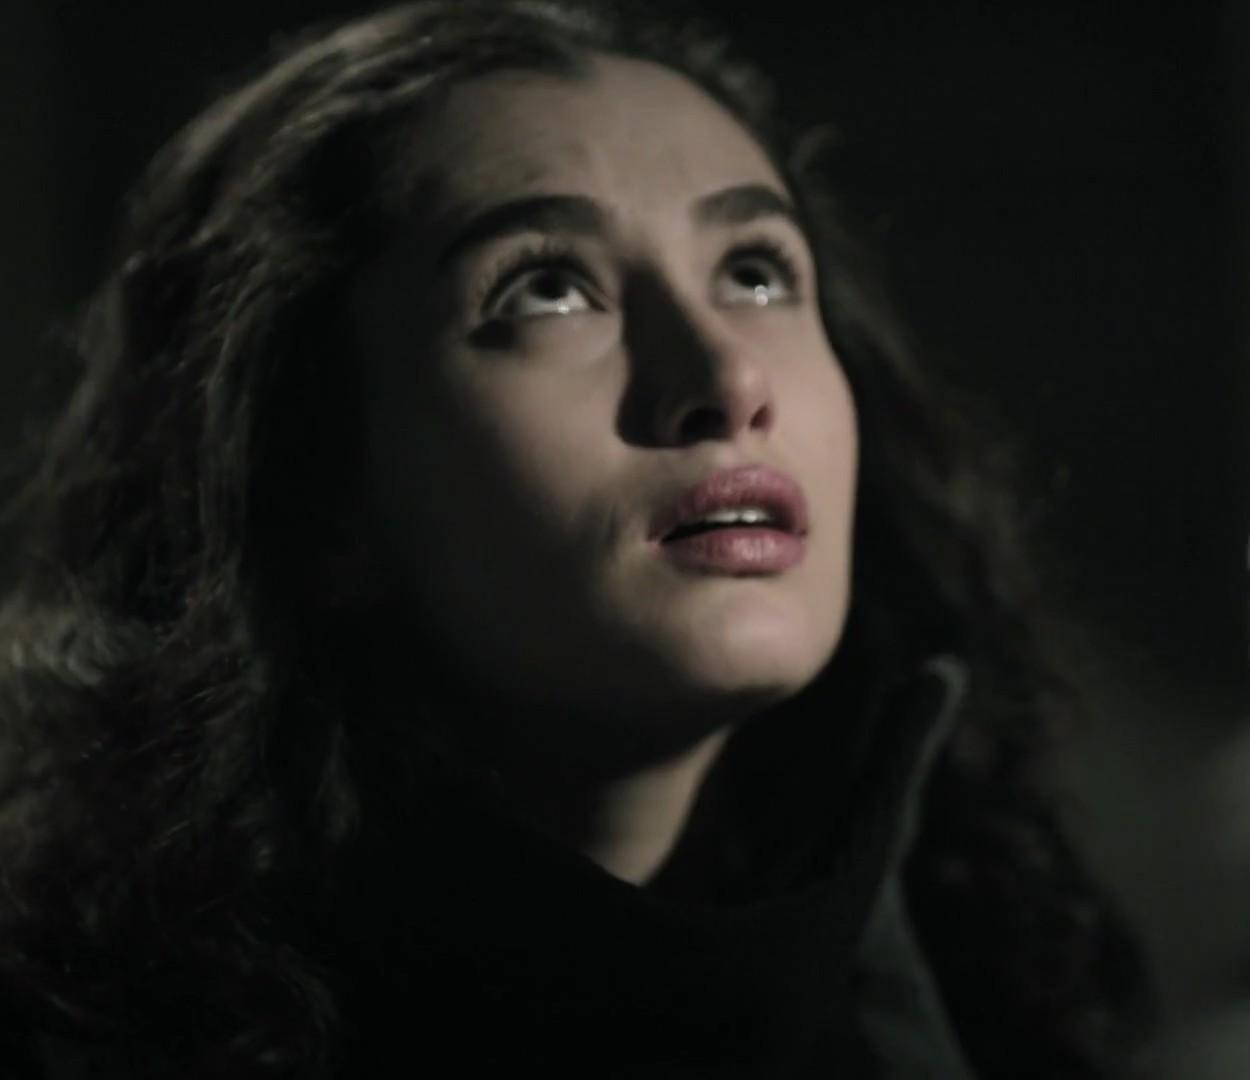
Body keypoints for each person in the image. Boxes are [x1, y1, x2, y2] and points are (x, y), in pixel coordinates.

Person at [0, 2, 1146, 1076]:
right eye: (548, 289)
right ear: (309, 490)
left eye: (756, 273)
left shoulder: (1004, 1001)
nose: (727, 380)